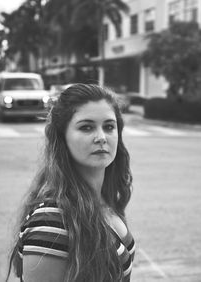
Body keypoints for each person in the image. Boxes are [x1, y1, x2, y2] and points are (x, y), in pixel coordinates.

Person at [7, 84, 135, 282]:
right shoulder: (52, 221)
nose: (101, 137)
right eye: (86, 127)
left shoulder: (101, 198)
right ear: (63, 137)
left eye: (109, 127)